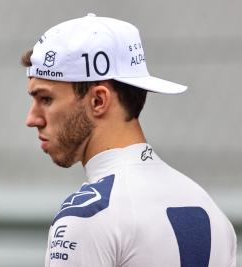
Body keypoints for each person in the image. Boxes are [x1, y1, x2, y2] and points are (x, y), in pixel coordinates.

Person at [21, 13, 237, 267]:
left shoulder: (89, 214)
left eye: (45, 99)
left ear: (98, 101)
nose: (32, 118)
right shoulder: (210, 210)